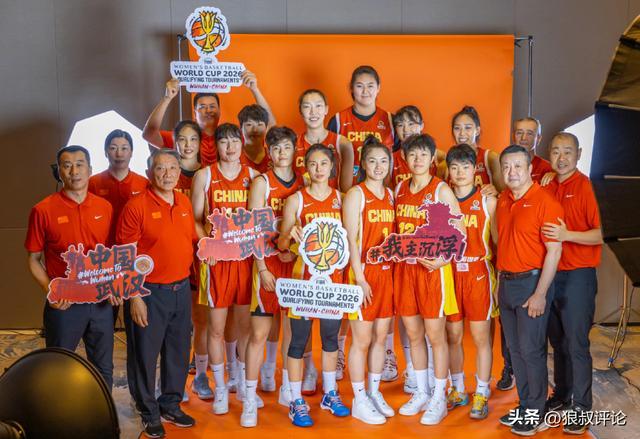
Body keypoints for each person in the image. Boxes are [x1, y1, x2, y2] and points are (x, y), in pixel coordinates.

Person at [117, 148, 197, 438]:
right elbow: (125, 256)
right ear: (149, 172)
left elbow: (190, 240)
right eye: (160, 168)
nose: (167, 174)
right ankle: (148, 411)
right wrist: (135, 296)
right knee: (145, 355)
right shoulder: (136, 206)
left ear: (179, 171)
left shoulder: (184, 202)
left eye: (173, 168)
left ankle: (170, 405)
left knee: (178, 351)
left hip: (181, 289)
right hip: (148, 293)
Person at [25, 145, 118, 389]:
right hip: (65, 305)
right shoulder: (43, 210)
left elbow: (111, 255)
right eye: (67, 166)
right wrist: (51, 290)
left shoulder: (105, 208)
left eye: (79, 164)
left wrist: (114, 283)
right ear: (59, 172)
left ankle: (103, 413)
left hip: (100, 303)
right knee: (58, 366)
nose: (74, 171)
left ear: (90, 169)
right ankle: (58, 413)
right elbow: (33, 259)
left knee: (103, 368)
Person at [278, 144, 350, 427]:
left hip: (333, 283)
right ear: (305, 167)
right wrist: (290, 235)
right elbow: (282, 244)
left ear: (332, 167)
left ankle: (330, 393)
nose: (319, 169)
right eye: (313, 164)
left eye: (324, 164)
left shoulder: (342, 199)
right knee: (298, 341)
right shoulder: (296, 200)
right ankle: (296, 400)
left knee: (331, 339)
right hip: (304, 283)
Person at [190, 123, 260, 415]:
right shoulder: (204, 176)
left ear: (242, 144)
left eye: (235, 141)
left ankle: (240, 381)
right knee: (216, 328)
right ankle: (219, 388)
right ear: (215, 146)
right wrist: (206, 245)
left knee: (244, 327)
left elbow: (258, 221)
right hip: (217, 264)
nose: (230, 147)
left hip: (244, 262)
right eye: (224, 142)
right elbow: (194, 219)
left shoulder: (253, 177)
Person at [394, 134, 464, 425]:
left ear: (433, 158)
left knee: (436, 336)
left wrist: (443, 259)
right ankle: (422, 392)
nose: (418, 159)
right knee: (413, 334)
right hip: (406, 271)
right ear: (405, 158)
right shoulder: (399, 188)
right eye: (413, 154)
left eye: (424, 154)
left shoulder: (441, 190)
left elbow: (460, 233)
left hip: (433, 272)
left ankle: (439, 396)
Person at [494, 144, 563, 436]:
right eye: (506, 167)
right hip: (506, 284)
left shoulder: (545, 202)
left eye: (518, 166)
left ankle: (536, 412)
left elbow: (554, 251)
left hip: (531, 284)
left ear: (530, 169)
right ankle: (526, 405)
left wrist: (540, 294)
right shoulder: (503, 200)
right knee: (515, 351)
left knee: (532, 351)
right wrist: (498, 282)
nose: (512, 172)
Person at [241, 126, 304, 427]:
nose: (281, 153)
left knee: (292, 331)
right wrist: (262, 268)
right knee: (258, 333)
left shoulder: (303, 181)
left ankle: (288, 389)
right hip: (267, 263)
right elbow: (252, 229)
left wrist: (296, 253)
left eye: (286, 147)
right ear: (269, 151)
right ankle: (249, 397)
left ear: (294, 150)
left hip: (293, 264)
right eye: (276, 148)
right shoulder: (262, 183)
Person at [542, 133, 602, 435]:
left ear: (578, 154)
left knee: (577, 343)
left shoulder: (587, 186)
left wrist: (568, 236)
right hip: (549, 274)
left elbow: (601, 233)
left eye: (567, 152)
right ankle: (562, 394)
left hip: (578, 275)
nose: (561, 157)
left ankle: (582, 406)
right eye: (556, 152)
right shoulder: (546, 185)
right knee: (558, 342)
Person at [343, 136, 396, 425]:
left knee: (380, 337)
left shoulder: (390, 195)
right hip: (363, 272)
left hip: (387, 272)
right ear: (363, 163)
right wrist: (360, 278)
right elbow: (350, 239)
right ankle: (359, 398)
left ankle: (374, 392)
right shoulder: (356, 194)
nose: (378, 166)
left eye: (383, 161)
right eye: (373, 161)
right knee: (361, 340)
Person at [445, 144, 497, 420]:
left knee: (480, 337)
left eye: (465, 167)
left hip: (478, 273)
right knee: (453, 336)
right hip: (451, 272)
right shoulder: (442, 200)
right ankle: (457, 389)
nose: (460, 172)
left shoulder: (488, 201)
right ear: (448, 171)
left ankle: (481, 391)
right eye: (454, 167)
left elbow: (499, 240)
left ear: (474, 170)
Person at [168, 120, 213, 401]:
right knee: (175, 323)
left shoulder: (207, 174)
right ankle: (173, 381)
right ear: (174, 142)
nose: (187, 145)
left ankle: (201, 376)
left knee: (201, 321)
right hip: (171, 255)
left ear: (200, 143)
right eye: (182, 139)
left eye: (192, 139)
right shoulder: (167, 172)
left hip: (199, 255)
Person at [142, 70, 272, 166]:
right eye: (203, 107)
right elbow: (149, 134)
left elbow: (269, 124)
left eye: (212, 106)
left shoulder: (235, 136)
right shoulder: (185, 137)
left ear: (219, 110)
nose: (208, 110)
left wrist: (255, 89)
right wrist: (167, 98)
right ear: (195, 112)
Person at [328, 65, 394, 184]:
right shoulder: (338, 120)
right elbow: (327, 159)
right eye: (359, 86)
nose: (365, 91)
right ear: (351, 88)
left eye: (370, 86)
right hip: (346, 190)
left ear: (378, 88)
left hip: (382, 191)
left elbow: (402, 157)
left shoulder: (390, 120)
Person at [88, 129, 148, 239]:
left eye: (124, 148)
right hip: (102, 245)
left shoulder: (144, 183)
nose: (119, 154)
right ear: (106, 152)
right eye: (113, 148)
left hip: (133, 244)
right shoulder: (92, 183)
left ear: (131, 152)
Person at [295, 89, 354, 192]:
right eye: (307, 106)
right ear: (300, 111)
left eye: (318, 106)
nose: (313, 112)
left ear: (326, 109)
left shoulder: (342, 143)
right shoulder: (293, 144)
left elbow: (346, 191)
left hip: (334, 201)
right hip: (301, 200)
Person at [447, 106, 504, 192]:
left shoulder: (490, 158)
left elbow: (504, 194)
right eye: (457, 128)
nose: (462, 133)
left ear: (477, 130)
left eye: (468, 127)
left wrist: (496, 193)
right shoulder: (445, 164)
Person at [391, 105, 445, 187]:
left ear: (421, 125)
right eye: (400, 125)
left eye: (411, 124)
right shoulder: (391, 159)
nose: (406, 129)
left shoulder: (436, 155)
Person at [512, 117, 554, 184]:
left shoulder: (548, 169)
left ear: (538, 139)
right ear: (513, 137)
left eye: (529, 133)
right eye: (519, 133)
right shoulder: (505, 166)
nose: (523, 138)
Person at [238, 104, 274, 173]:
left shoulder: (274, 157)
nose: (255, 130)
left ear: (266, 128)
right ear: (240, 128)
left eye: (260, 124)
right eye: (249, 124)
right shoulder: (234, 158)